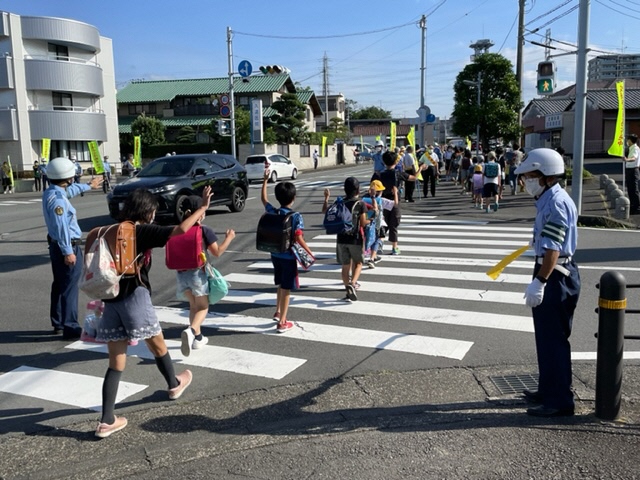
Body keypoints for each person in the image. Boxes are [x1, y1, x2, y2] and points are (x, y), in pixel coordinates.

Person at [94, 186, 213, 438]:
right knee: (158, 346)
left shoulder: (105, 230)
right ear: (147, 211)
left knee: (116, 361)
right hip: (134, 296)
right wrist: (202, 208)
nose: (154, 216)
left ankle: (106, 420)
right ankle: (173, 384)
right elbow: (181, 230)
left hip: (108, 299)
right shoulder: (140, 231)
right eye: (154, 211)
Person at [515, 148, 580, 417]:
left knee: (553, 340)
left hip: (555, 275)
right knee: (546, 338)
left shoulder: (555, 202)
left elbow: (554, 249)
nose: (525, 181)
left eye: (529, 176)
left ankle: (559, 401)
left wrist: (540, 281)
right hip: (552, 271)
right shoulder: (548, 197)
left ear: (545, 176)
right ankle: (549, 389)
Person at [42, 157, 103, 339]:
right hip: (67, 247)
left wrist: (88, 186)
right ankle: (70, 326)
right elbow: (62, 228)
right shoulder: (59, 201)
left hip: (56, 246)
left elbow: (70, 191)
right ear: (67, 176)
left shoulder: (51, 192)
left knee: (60, 285)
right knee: (69, 287)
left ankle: (59, 322)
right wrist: (68, 252)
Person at [177, 196, 236, 357]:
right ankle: (191, 331)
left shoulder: (179, 228)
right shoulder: (203, 230)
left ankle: (198, 338)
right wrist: (229, 238)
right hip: (197, 274)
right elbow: (217, 252)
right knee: (203, 307)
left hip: (181, 275)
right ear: (200, 213)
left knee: (193, 306)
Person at [261, 168, 312, 332]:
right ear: (294, 198)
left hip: (275, 253)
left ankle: (277, 311)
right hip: (289, 257)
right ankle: (282, 321)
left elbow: (263, 199)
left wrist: (265, 180)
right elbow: (298, 237)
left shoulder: (274, 211)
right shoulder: (296, 216)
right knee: (287, 288)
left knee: (281, 284)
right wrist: (309, 252)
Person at [322, 177, 369, 301]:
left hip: (341, 239)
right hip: (355, 239)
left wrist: (326, 198)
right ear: (358, 189)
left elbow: (325, 211)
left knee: (345, 266)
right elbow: (363, 223)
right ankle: (353, 284)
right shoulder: (360, 203)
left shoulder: (339, 202)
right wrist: (372, 219)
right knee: (358, 263)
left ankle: (347, 289)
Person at [379, 150, 416, 255]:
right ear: (396, 161)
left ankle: (379, 244)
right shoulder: (398, 173)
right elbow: (414, 178)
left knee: (382, 223)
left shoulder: (379, 174)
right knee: (393, 224)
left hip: (382, 201)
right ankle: (394, 247)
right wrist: (420, 169)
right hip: (394, 201)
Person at [362, 180, 397, 268]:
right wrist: (395, 193)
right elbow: (395, 204)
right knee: (379, 240)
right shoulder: (380, 200)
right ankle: (372, 258)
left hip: (366, 223)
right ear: (379, 191)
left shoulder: (363, 200)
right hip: (378, 224)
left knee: (369, 239)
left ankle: (373, 256)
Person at [624, 134, 640, 215]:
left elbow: (634, 157)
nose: (627, 141)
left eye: (628, 139)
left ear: (630, 140)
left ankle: (637, 207)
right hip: (630, 170)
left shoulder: (635, 148)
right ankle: (633, 206)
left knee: (634, 189)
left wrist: (627, 159)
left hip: (633, 170)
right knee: (630, 189)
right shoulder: (631, 148)